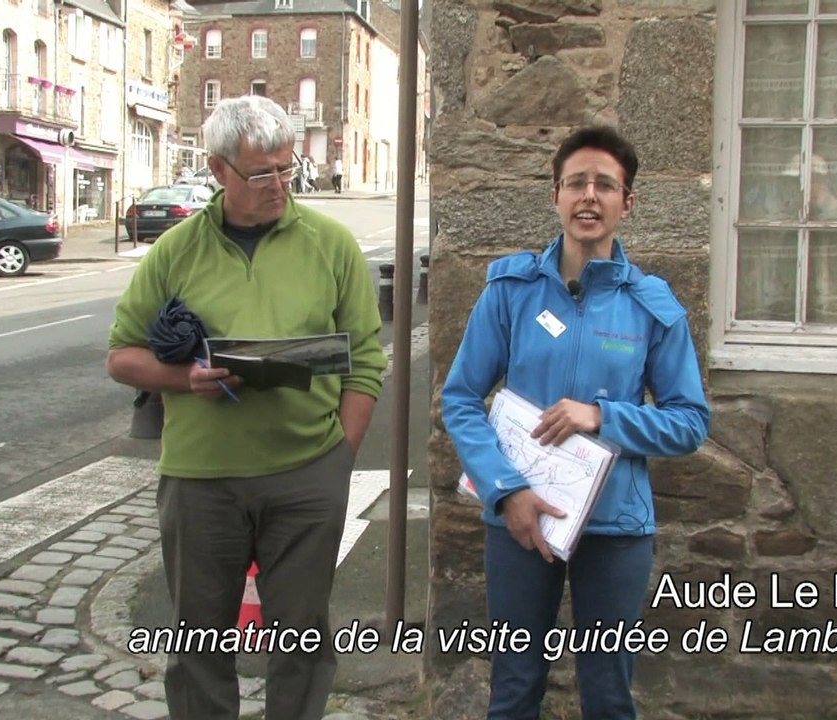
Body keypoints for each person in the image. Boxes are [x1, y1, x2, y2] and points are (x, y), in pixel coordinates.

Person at [106, 95, 386, 720]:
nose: (279, 185)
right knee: (199, 641)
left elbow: (367, 360)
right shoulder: (175, 251)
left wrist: (341, 458)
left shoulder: (332, 245)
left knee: (303, 641)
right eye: (262, 173)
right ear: (218, 171)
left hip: (307, 471)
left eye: (288, 169)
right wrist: (185, 376)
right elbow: (121, 356)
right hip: (203, 480)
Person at [441, 126, 709, 720]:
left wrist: (603, 416)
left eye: (605, 185)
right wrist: (506, 491)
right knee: (514, 686)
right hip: (521, 515)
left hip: (617, 527)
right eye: (577, 183)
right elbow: (460, 399)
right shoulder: (510, 292)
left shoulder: (652, 306)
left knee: (609, 692)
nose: (590, 196)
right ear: (556, 196)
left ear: (627, 202)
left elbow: (690, 422)